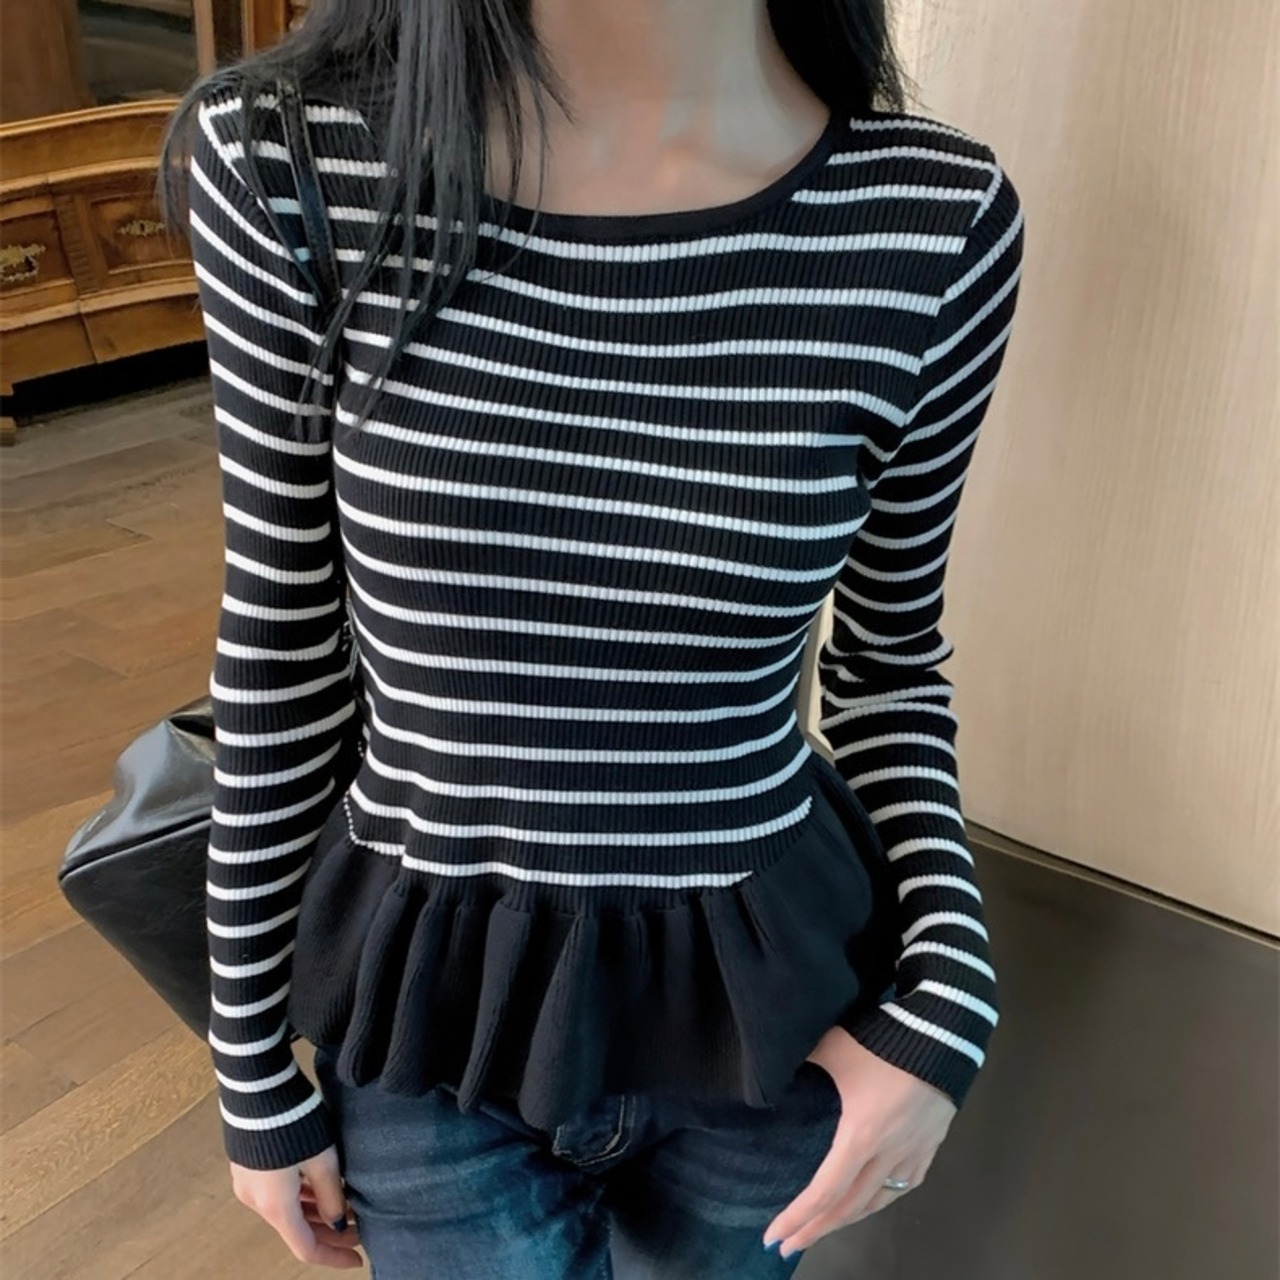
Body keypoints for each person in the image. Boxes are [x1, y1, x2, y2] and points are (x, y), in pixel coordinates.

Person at [158, 1, 1025, 1275]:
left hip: (767, 1013)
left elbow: (887, 664)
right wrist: (247, 1061)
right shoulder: (289, 161)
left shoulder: (930, 220)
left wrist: (949, 987)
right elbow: (284, 652)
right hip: (432, 1016)